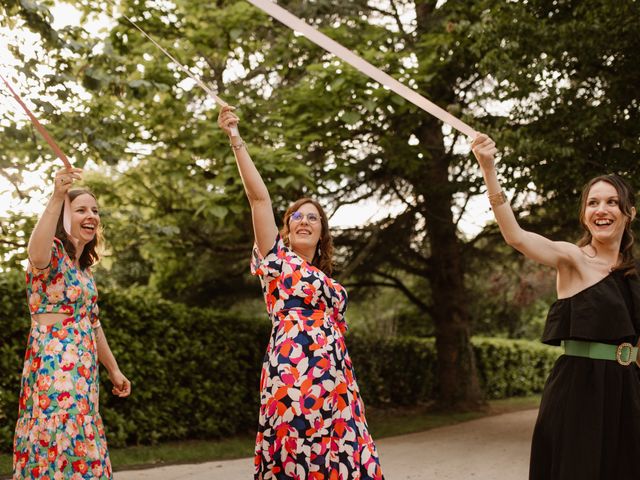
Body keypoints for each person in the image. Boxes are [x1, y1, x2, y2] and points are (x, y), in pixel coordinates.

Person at [218, 105, 384, 480]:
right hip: (293, 372)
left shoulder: (329, 281)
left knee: (348, 459)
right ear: (287, 229)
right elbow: (259, 199)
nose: (305, 220)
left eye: (313, 217)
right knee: (297, 453)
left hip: (336, 379)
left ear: (322, 232)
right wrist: (235, 138)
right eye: (297, 216)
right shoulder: (277, 261)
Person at [472, 134, 640, 479]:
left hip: (630, 391)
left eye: (611, 202)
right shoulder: (572, 258)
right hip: (579, 389)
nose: (601, 210)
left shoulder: (635, 273)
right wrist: (489, 169)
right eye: (593, 203)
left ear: (629, 212)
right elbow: (516, 236)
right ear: (584, 214)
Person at [13, 168, 131, 479]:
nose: (91, 215)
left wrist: (114, 369)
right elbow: (33, 252)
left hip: (83, 372)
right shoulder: (50, 255)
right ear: (65, 218)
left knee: (79, 442)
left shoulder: (84, 272)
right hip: (54, 368)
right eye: (81, 210)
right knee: (56, 437)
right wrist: (56, 196)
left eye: (94, 210)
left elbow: (94, 325)